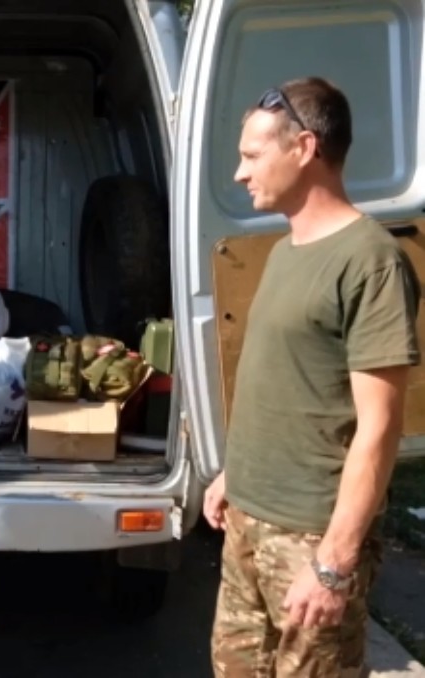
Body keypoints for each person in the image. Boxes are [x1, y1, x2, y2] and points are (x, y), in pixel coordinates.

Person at [205, 77, 421, 677]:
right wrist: (234, 474)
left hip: (308, 536)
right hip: (248, 522)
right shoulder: (284, 251)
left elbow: (380, 427)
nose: (240, 173)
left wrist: (333, 565)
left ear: (304, 148)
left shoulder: (370, 261)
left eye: (252, 156)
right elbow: (287, 384)